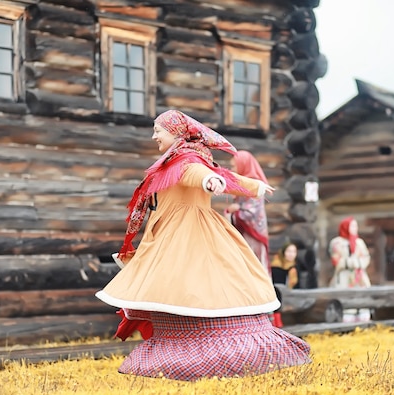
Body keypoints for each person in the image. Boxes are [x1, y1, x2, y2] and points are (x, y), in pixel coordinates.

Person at [95, 110, 311, 381]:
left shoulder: (187, 159)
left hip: (189, 233)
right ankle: (182, 349)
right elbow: (218, 174)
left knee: (198, 287)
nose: (153, 136)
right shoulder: (172, 160)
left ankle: (210, 351)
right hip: (169, 235)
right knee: (179, 289)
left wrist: (211, 181)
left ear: (175, 132)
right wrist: (247, 184)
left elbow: (198, 173)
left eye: (158, 130)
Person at [224, 150, 270, 274]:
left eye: (234, 166)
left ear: (243, 165)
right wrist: (231, 211)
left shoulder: (254, 185)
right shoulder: (241, 183)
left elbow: (252, 213)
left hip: (253, 237)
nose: (232, 169)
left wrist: (234, 211)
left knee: (254, 270)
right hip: (243, 235)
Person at [328, 216, 372, 322]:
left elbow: (366, 257)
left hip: (359, 277)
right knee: (344, 297)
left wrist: (357, 263)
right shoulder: (336, 242)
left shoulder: (359, 242)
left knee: (361, 298)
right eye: (352, 226)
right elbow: (337, 260)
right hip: (344, 277)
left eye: (355, 226)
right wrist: (352, 262)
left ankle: (362, 316)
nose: (355, 228)